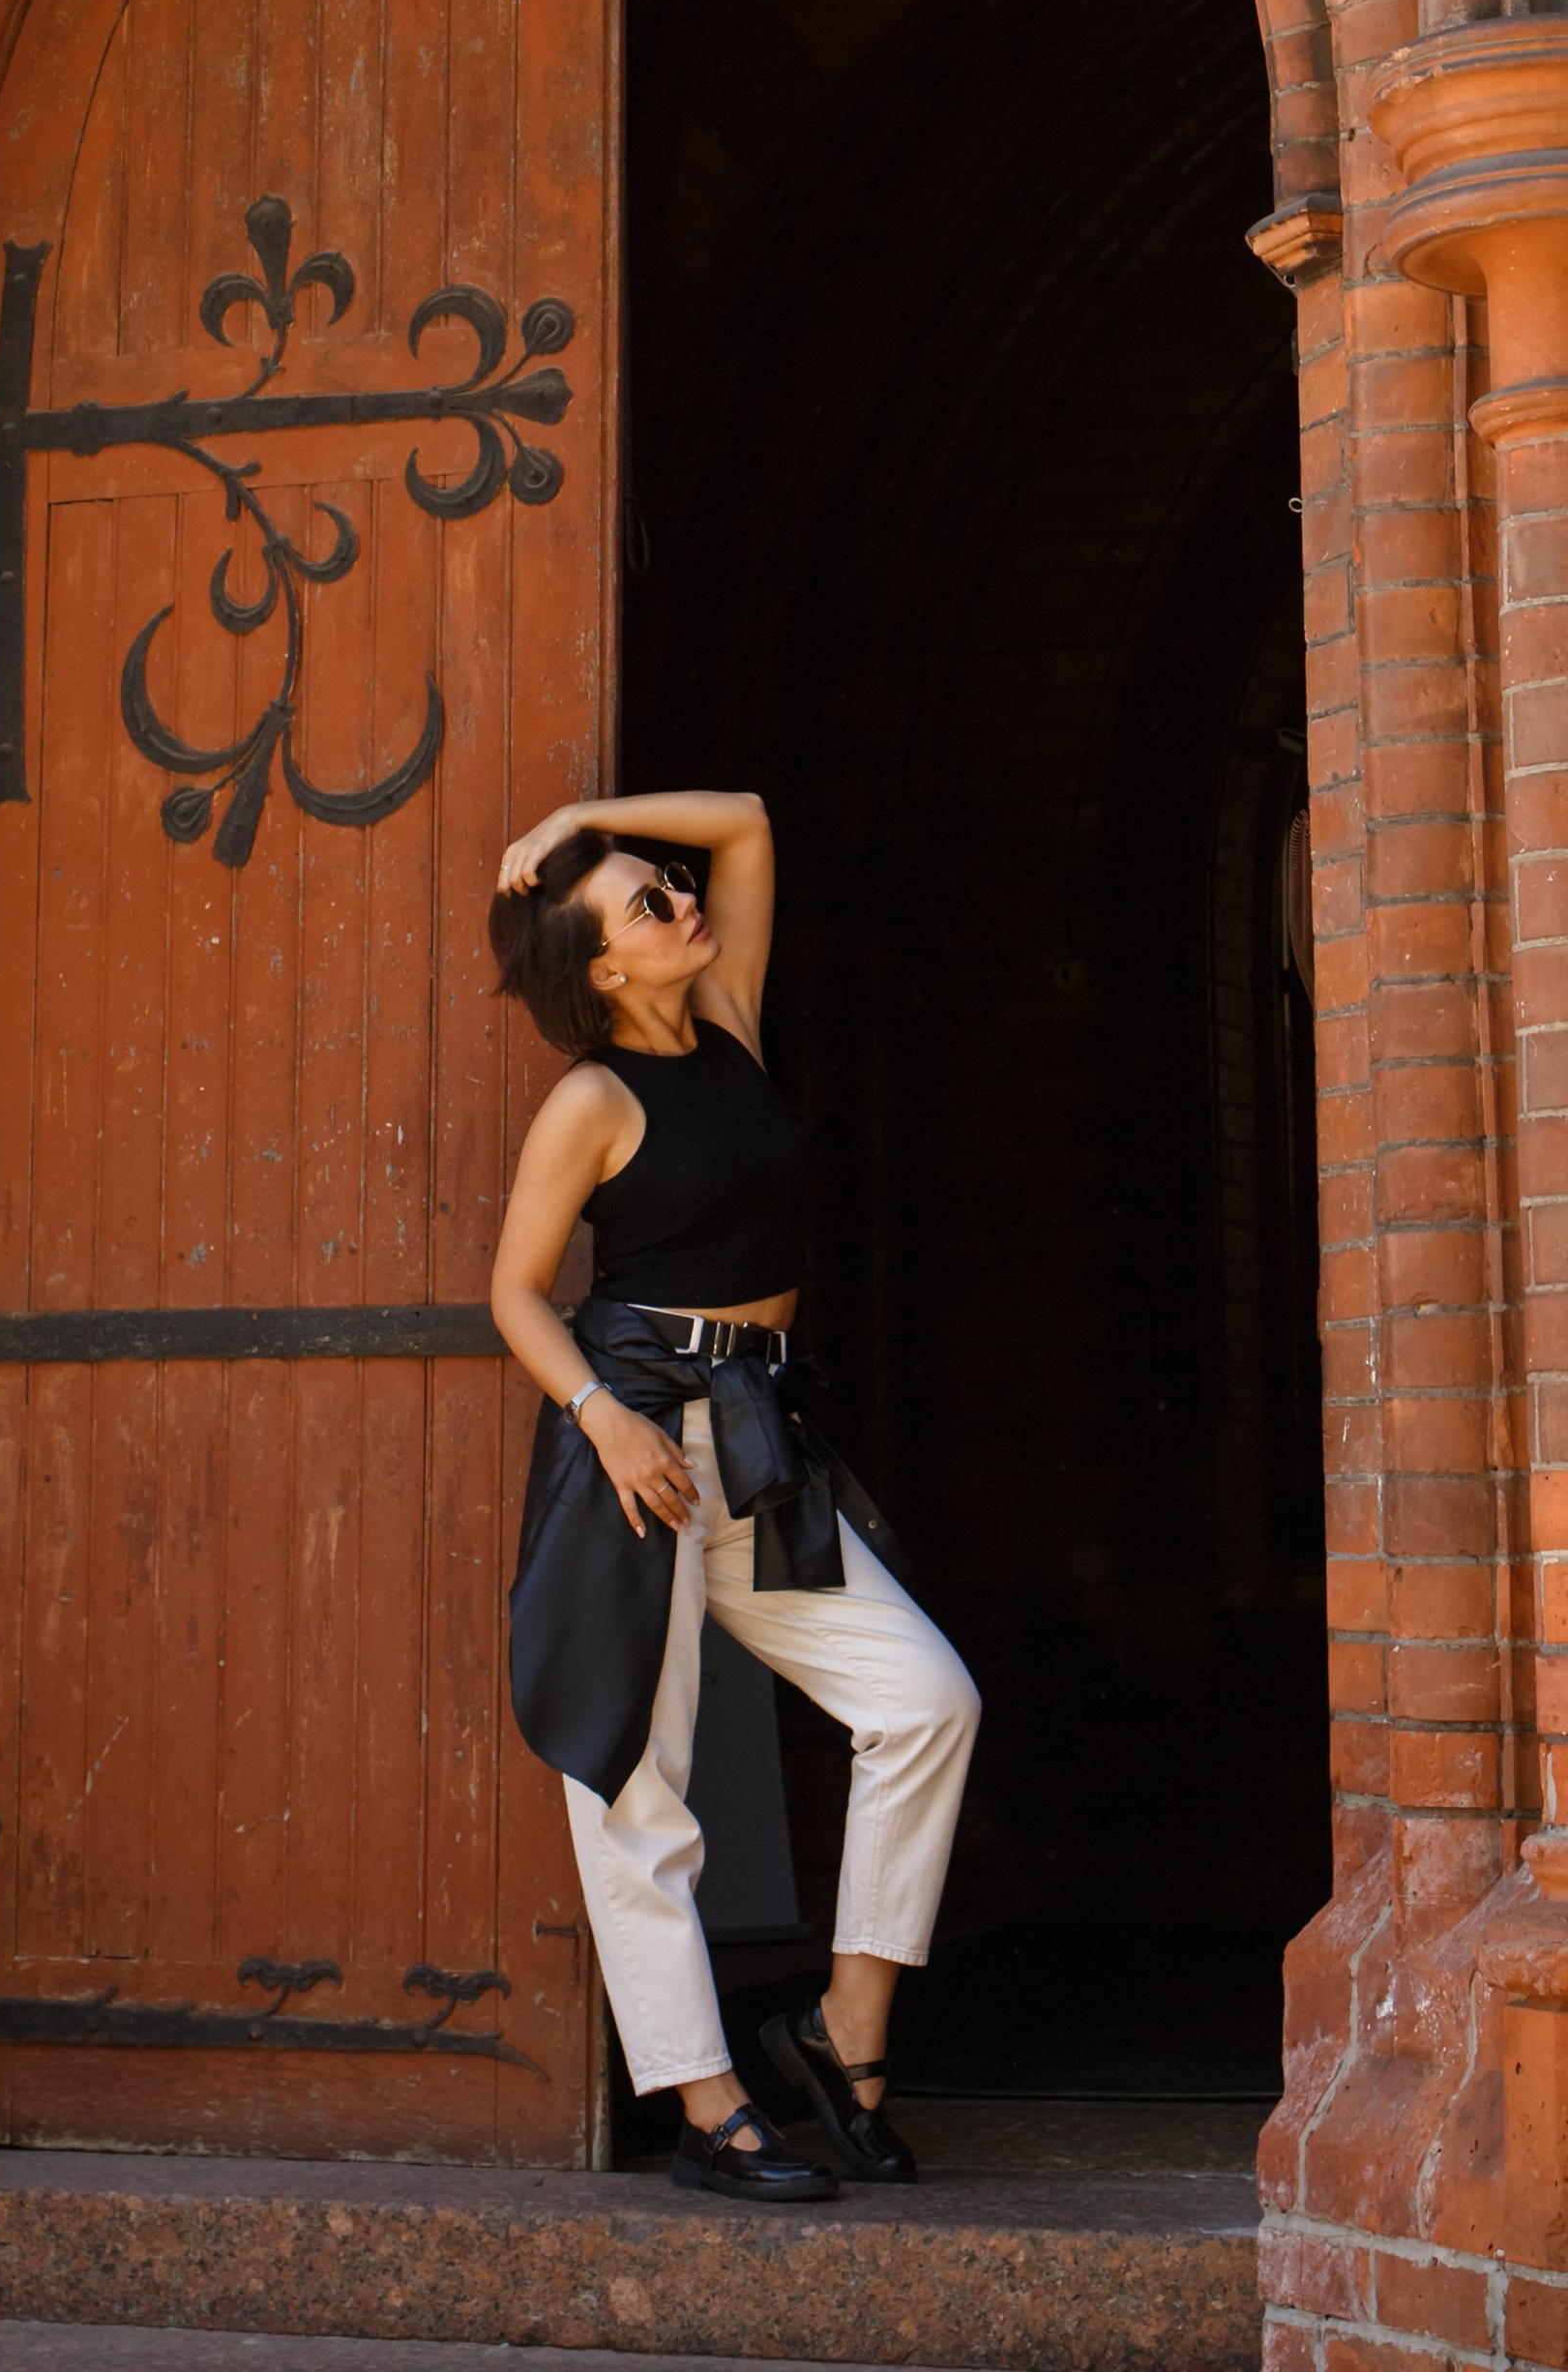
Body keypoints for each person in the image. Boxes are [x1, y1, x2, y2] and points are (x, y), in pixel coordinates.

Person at [488, 788, 979, 2203]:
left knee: (924, 1703)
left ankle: (844, 2027)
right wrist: (599, 1418)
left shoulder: (734, 1026)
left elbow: (754, 824)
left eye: (667, 888)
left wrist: (590, 816)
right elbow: (516, 1295)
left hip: (758, 1436)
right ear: (604, 970)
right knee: (640, 1787)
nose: (680, 905)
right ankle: (708, 2101)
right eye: (649, 905)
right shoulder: (590, 1100)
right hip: (637, 1440)